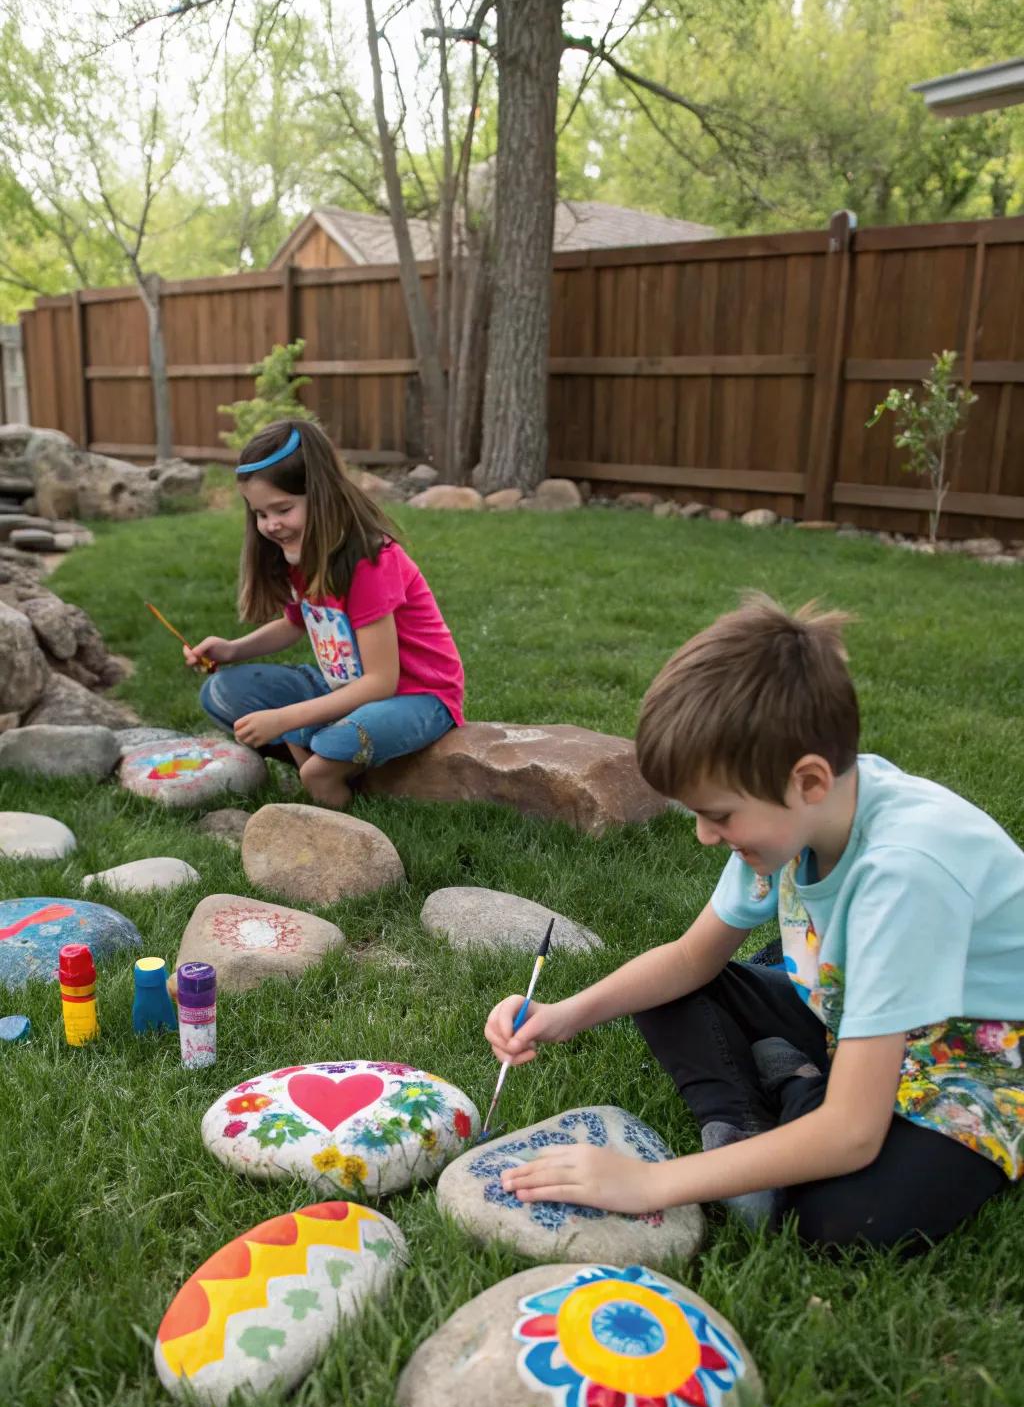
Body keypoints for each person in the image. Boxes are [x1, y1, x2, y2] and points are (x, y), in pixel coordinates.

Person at [484, 594, 1024, 1251]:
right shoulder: (789, 822)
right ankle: (749, 1118)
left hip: (976, 1058)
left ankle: (799, 1097)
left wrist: (653, 1184)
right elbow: (690, 959)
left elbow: (855, 1132)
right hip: (859, 1015)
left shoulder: (905, 873)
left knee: (843, 1222)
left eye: (720, 815)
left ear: (810, 781)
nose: (708, 837)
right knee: (669, 991)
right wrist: (564, 1014)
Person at [186, 419, 464, 809]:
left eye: (283, 508)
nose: (271, 525)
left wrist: (284, 719)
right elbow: (295, 623)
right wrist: (231, 650)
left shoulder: (369, 562)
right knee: (222, 691)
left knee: (317, 751)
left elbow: (382, 682)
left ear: (322, 496)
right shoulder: (302, 554)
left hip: (418, 698)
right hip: (347, 691)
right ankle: (328, 767)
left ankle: (331, 790)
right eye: (260, 514)